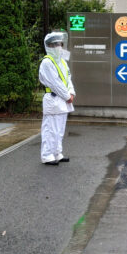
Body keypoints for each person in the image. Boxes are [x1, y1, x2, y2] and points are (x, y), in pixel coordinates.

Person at [38, 32, 75, 166]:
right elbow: (54, 83)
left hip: (62, 101)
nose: (57, 46)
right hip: (53, 99)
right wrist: (67, 96)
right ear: (48, 46)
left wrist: (71, 93)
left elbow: (68, 79)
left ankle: (57, 153)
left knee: (59, 129)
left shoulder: (63, 62)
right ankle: (47, 155)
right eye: (54, 44)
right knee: (50, 129)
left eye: (59, 43)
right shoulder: (47, 62)